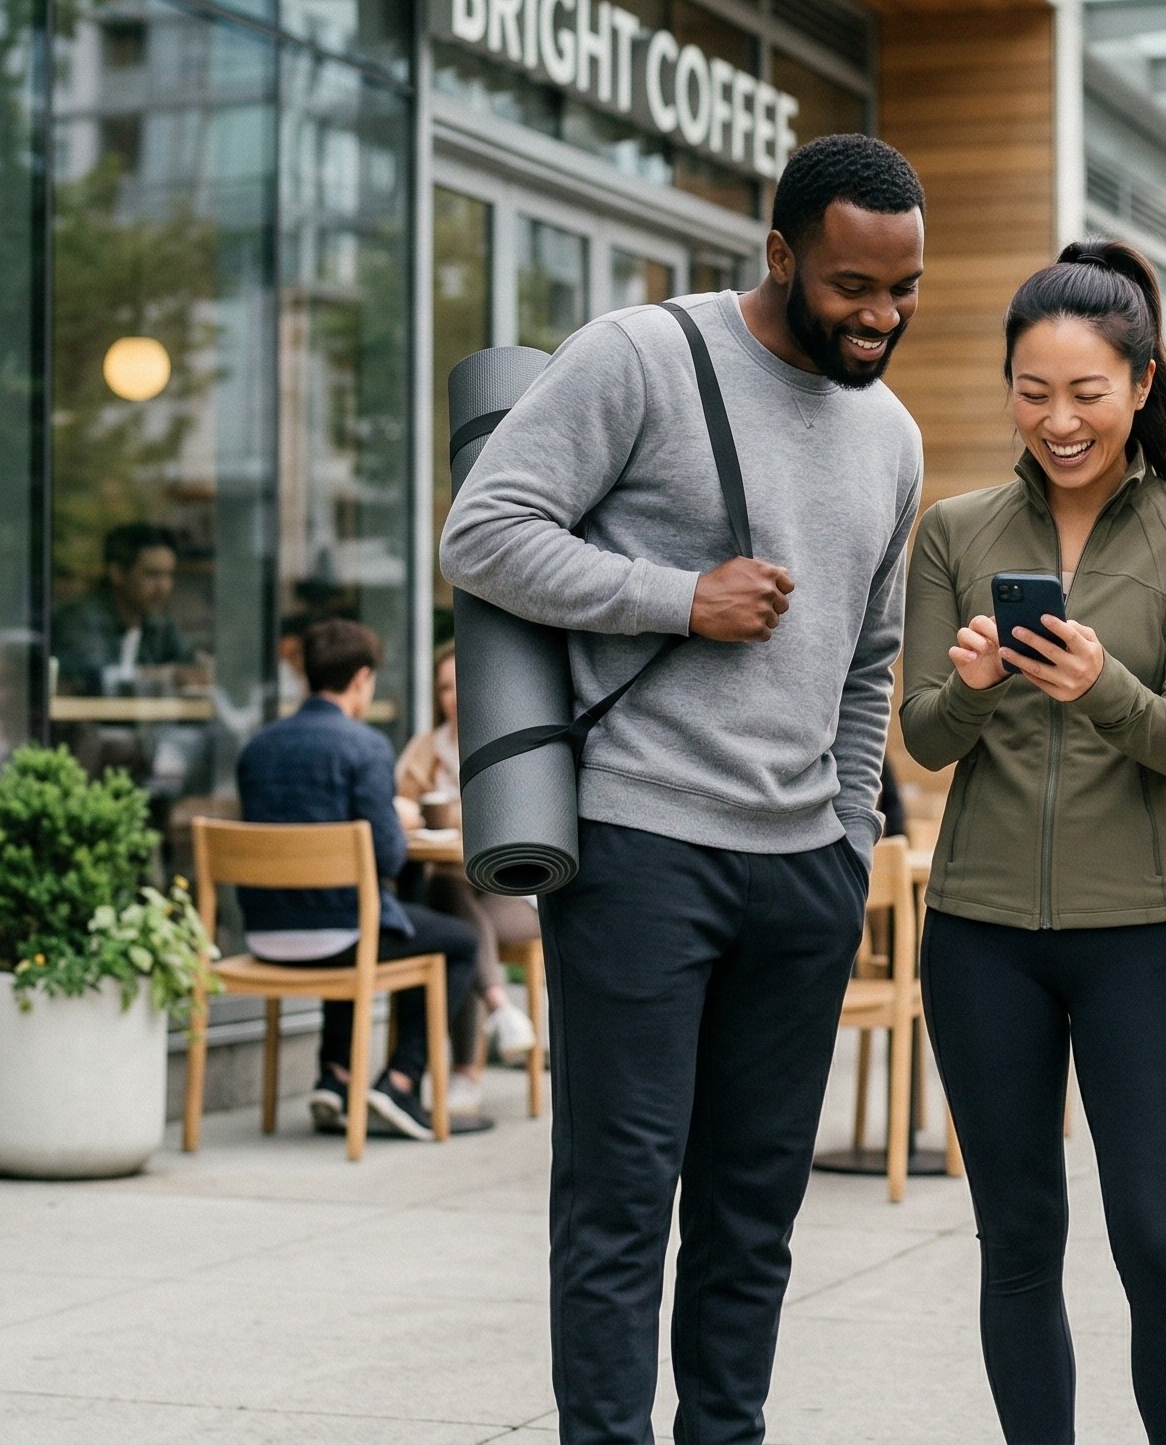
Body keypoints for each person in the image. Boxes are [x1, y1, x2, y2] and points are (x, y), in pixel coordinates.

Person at [439, 132, 927, 1445]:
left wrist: (848, 836)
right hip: (641, 844)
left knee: (753, 1217)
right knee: (618, 1202)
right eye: (851, 287)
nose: (879, 317)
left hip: (803, 870)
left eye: (902, 290)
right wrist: (677, 599)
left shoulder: (891, 436)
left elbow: (870, 658)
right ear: (779, 255)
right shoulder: (639, 357)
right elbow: (482, 533)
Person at [900, 240, 1166, 1445]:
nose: (1058, 421)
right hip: (978, 934)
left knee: (1157, 1239)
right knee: (1016, 1239)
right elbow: (923, 740)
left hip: (1137, 937)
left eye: (1086, 393)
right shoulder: (951, 531)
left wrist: (1096, 683)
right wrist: (973, 686)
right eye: (1032, 392)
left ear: (1139, 386)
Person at [236, 618, 487, 1139]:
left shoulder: (256, 748)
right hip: (340, 937)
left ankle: (335, 1076)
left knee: (351, 912)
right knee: (457, 941)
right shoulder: (364, 747)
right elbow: (390, 859)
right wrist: (400, 821)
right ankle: (399, 1082)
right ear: (361, 679)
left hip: (264, 934)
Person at [392, 642, 537, 1064]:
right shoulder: (425, 750)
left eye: (461, 683)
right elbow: (399, 808)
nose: (453, 696)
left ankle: (466, 1072)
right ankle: (501, 1011)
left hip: (512, 891)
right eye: (444, 688)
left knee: (459, 928)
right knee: (452, 899)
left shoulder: (508, 744)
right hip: (452, 882)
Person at [53, 523, 196, 694]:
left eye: (169, 575)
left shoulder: (158, 623)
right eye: (152, 574)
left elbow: (191, 663)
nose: (163, 586)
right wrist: (168, 676)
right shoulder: (80, 619)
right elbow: (92, 680)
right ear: (117, 573)